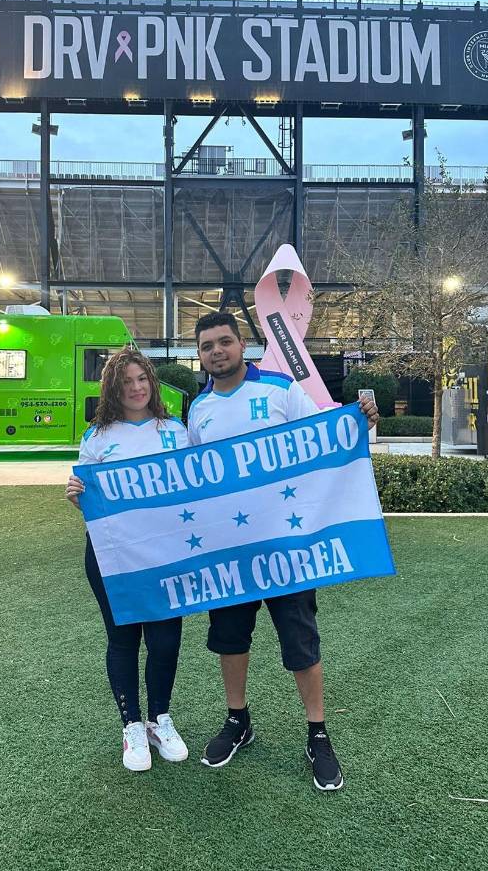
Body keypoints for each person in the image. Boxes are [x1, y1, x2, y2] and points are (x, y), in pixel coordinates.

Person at [187, 311, 379, 792]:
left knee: (300, 640)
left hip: (286, 546)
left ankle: (317, 732)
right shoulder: (198, 410)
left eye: (224, 341)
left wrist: (358, 420)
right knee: (229, 639)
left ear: (241, 347)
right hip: (228, 553)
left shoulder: (279, 389)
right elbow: (190, 480)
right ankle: (238, 721)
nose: (217, 351)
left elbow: (324, 438)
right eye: (207, 345)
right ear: (200, 354)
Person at [65, 348, 190, 772]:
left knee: (166, 639)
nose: (136, 388)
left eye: (142, 379)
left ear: (152, 382)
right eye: (126, 382)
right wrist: (76, 496)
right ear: (112, 390)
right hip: (111, 554)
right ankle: (131, 726)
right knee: (123, 639)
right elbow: (86, 497)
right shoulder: (97, 438)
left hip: (166, 552)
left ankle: (160, 719)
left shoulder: (174, 429)